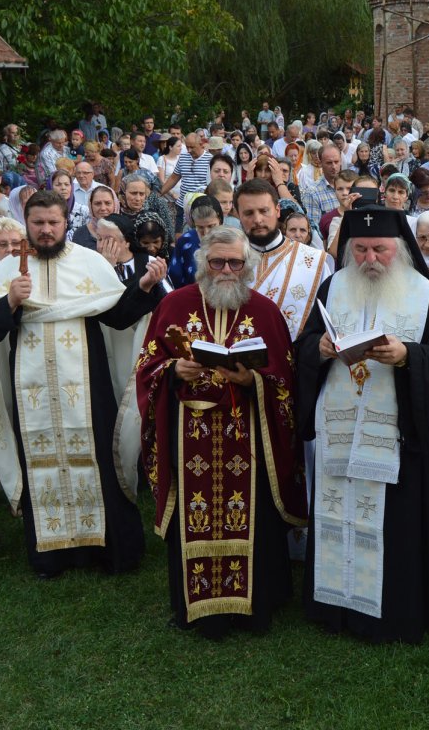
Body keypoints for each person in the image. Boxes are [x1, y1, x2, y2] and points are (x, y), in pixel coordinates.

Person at [0, 190, 167, 577]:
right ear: (27, 224)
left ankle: (109, 550)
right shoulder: (10, 269)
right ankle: (52, 554)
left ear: (66, 224)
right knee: (39, 463)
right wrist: (8, 302)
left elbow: (118, 317)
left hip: (88, 390)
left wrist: (143, 287)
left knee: (97, 461)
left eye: (53, 223)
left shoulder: (89, 262)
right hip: (32, 394)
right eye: (38, 223)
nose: (45, 230)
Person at [296, 207, 429, 643]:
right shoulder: (333, 287)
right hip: (340, 429)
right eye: (361, 249)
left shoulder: (422, 293)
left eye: (380, 249)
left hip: (395, 438)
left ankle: (392, 613)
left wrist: (409, 356)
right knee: (335, 510)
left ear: (399, 249)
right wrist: (323, 350)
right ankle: (334, 607)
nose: (370, 258)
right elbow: (305, 348)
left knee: (394, 524)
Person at [134, 226, 306, 634]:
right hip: (188, 433)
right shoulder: (174, 306)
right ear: (202, 264)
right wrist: (173, 369)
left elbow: (286, 381)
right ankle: (198, 606)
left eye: (235, 262)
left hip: (248, 438)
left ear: (248, 266)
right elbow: (146, 368)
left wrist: (253, 381)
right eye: (217, 262)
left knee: (254, 518)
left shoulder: (265, 311)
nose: (227, 270)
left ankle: (254, 604)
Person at [236, 179, 332, 340]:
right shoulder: (227, 261)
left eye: (264, 211)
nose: (258, 220)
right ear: (238, 215)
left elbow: (326, 325)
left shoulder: (317, 262)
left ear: (277, 210)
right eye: (248, 213)